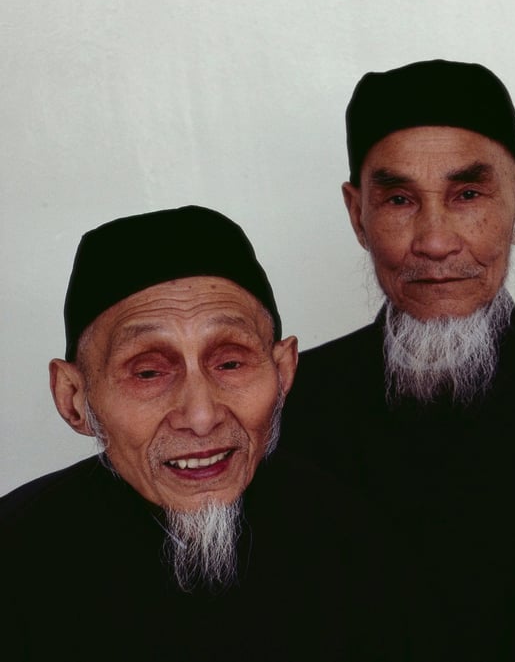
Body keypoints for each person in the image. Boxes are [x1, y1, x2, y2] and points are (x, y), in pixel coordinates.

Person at [281, 59, 515, 661]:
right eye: (400, 199)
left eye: (467, 195)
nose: (434, 241)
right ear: (358, 215)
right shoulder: (289, 406)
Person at [0, 205, 407, 661]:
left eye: (230, 363)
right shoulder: (13, 560)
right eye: (149, 372)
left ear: (283, 373)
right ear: (74, 397)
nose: (200, 415)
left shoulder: (352, 537)